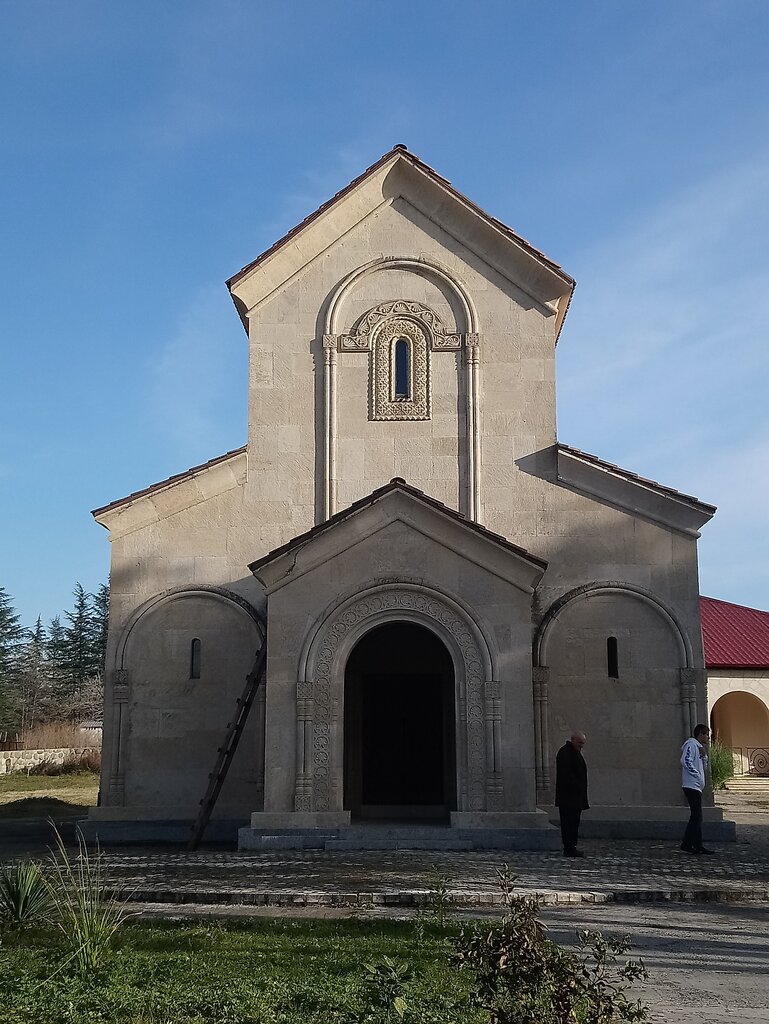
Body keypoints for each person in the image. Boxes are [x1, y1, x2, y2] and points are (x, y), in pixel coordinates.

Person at [680, 724, 714, 855]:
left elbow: (704, 766)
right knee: (696, 816)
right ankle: (687, 843)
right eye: (706, 735)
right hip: (691, 785)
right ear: (700, 734)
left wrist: (704, 756)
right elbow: (685, 761)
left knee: (697, 816)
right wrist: (697, 775)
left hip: (696, 786)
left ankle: (697, 844)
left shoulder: (699, 747)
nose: (708, 738)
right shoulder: (691, 744)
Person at [555, 730, 589, 857]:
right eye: (580, 742)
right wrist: (577, 786)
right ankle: (569, 847)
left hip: (574, 797)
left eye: (583, 743)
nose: (581, 745)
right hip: (569, 798)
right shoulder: (565, 753)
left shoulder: (574, 752)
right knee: (568, 823)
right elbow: (567, 775)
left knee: (573, 822)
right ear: (573, 740)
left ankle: (571, 846)